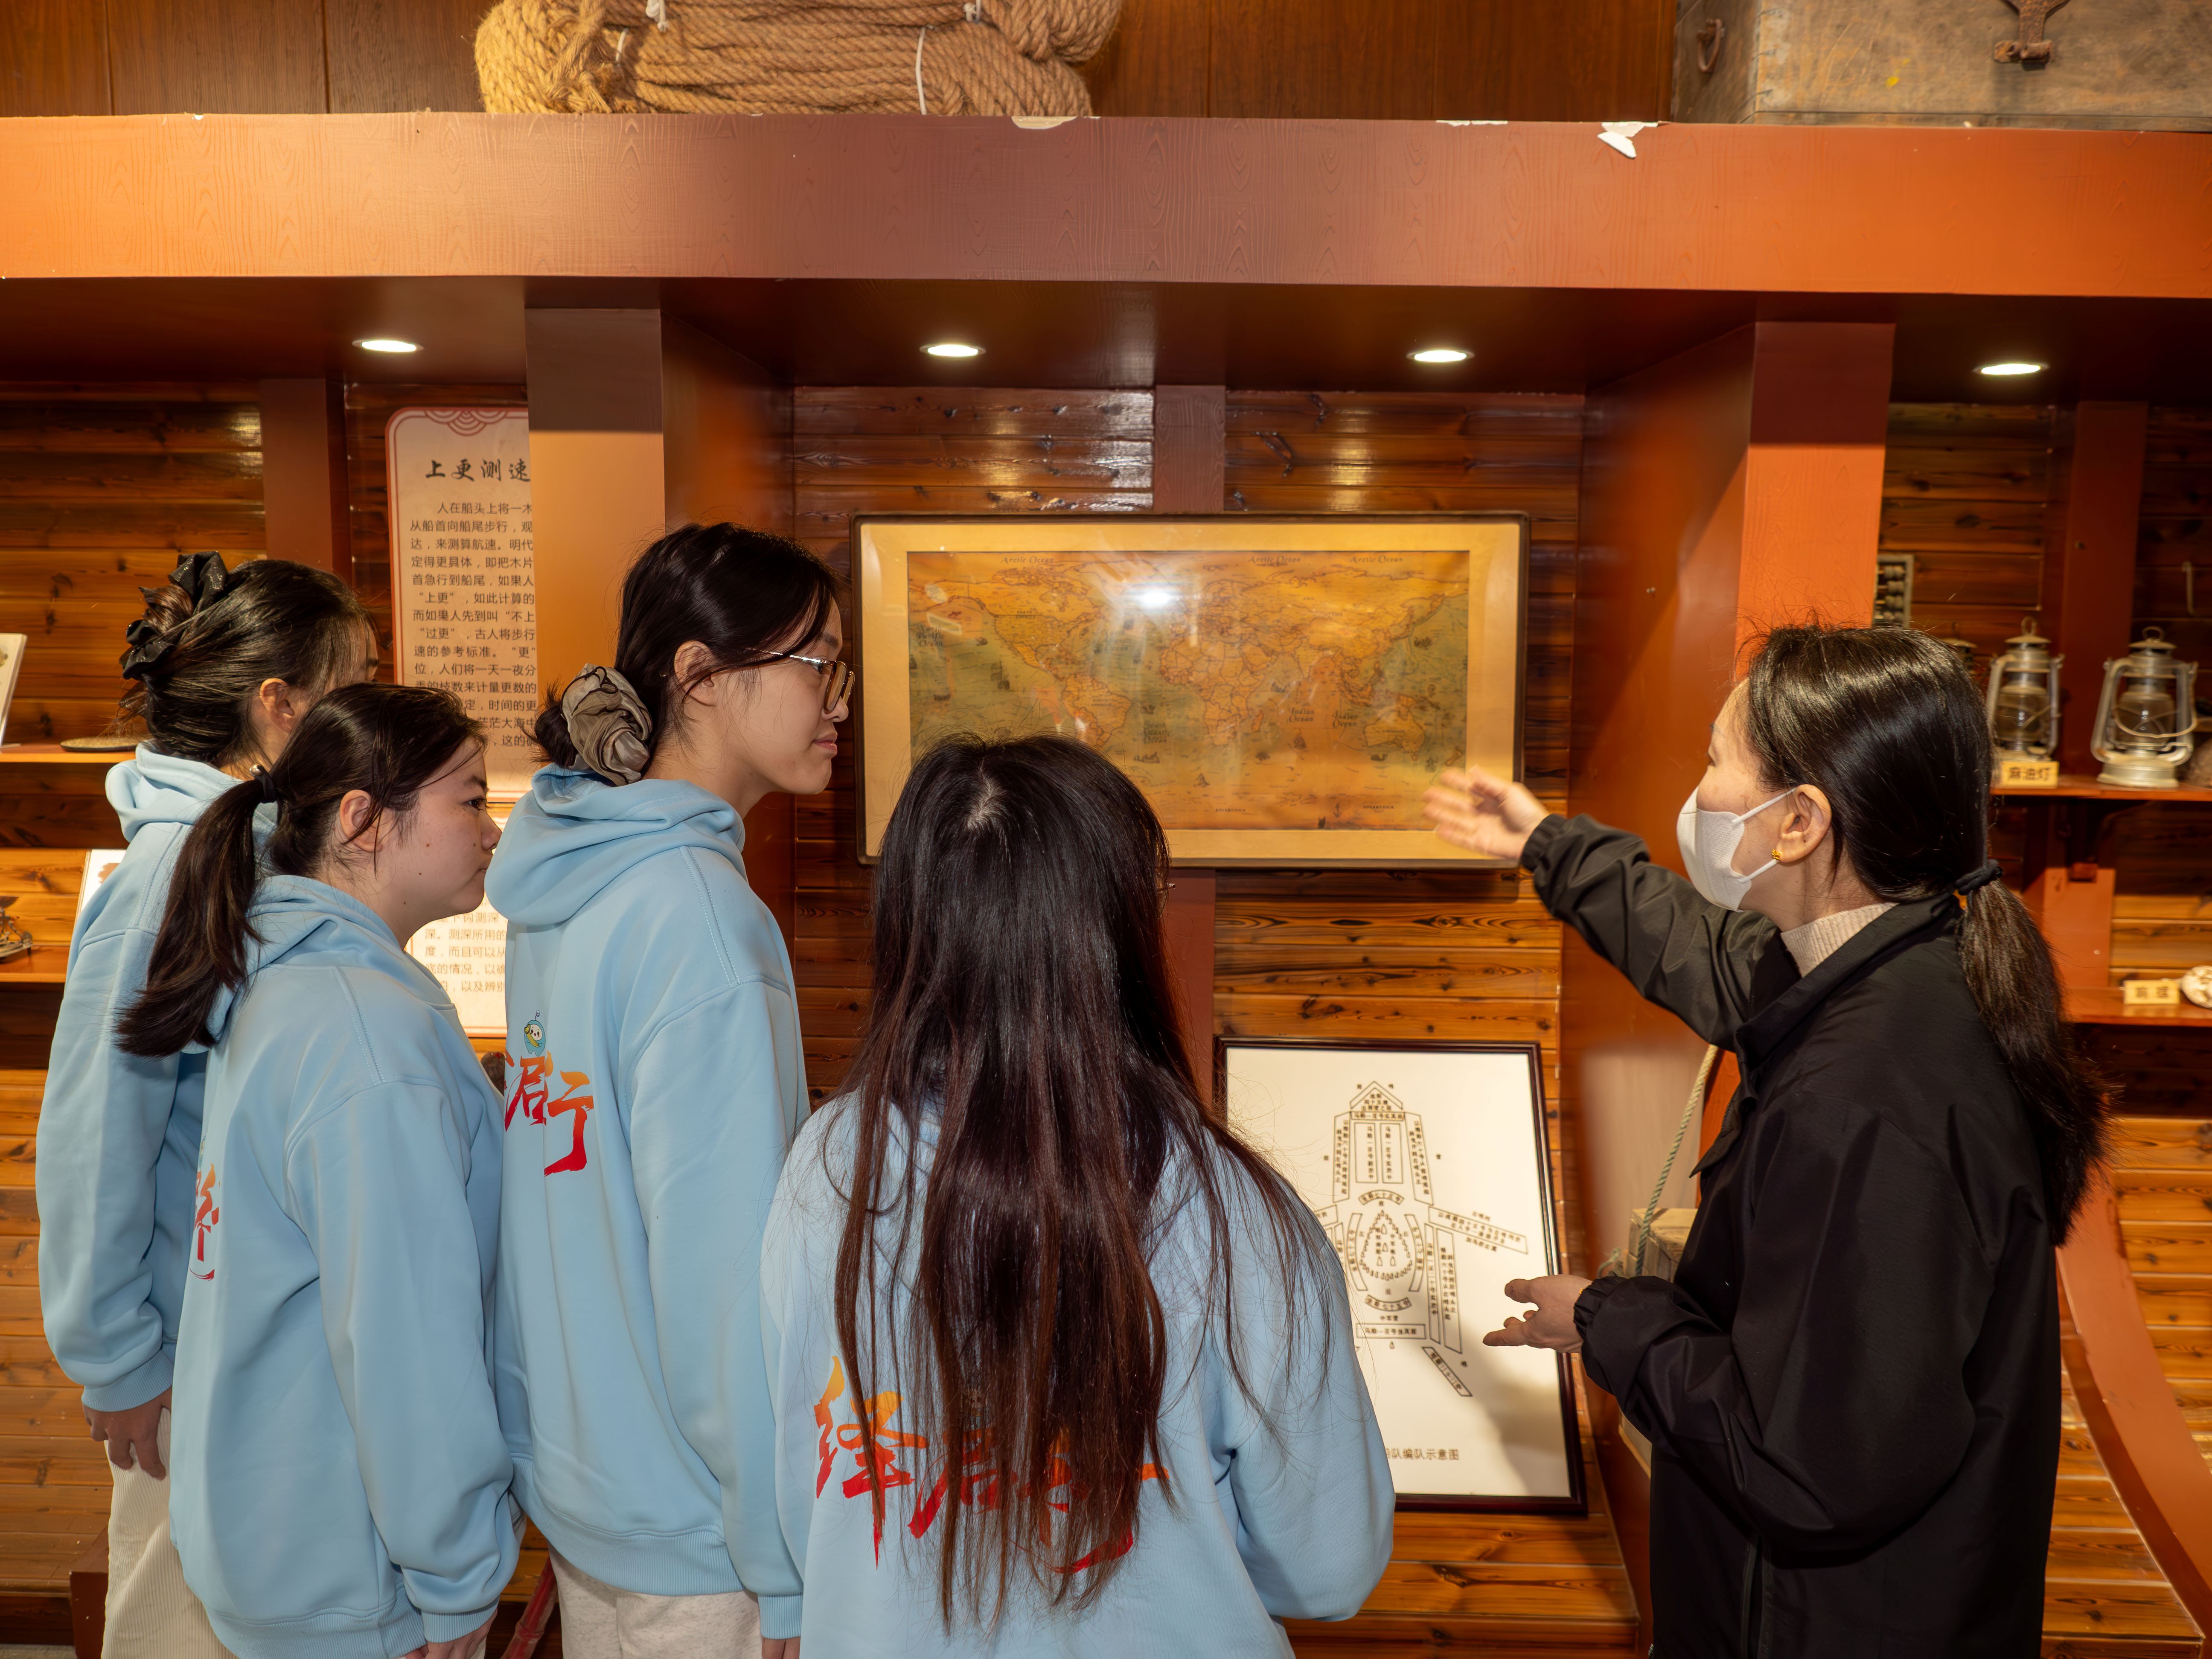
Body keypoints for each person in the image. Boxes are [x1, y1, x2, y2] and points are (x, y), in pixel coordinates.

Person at [1426, 623, 2107, 1659]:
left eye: (1716, 760)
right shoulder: (1912, 957)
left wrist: (1606, 1320)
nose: (1699, 792)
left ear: (1798, 823)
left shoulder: (1867, 1097)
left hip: (1822, 1625)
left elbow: (1803, 1461)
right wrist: (1546, 845)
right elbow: (1709, 952)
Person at [760, 735, 1394, 1656]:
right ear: (1121, 929)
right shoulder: (1236, 1212)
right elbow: (1328, 1570)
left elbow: (806, 1497)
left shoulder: (828, 1167)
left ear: (905, 924)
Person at [489, 523, 846, 1659]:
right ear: (701, 675)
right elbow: (727, 1277)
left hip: (591, 1489)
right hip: (703, 1536)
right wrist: (784, 1565)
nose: (838, 701)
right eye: (817, 664)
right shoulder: (701, 918)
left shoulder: (568, 875)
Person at [115, 682, 517, 1659]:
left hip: (281, 1534)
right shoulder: (365, 1034)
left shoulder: (297, 985)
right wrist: (456, 1571)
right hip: (348, 1564)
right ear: (363, 820)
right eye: (470, 800)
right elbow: (402, 1335)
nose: (492, 830)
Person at [37, 552, 376, 1659]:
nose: (370, 714)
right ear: (280, 708)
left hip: (253, 1353)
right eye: (356, 683)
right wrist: (117, 1360)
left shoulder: (264, 862)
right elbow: (96, 1136)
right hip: (184, 1365)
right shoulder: (173, 877)